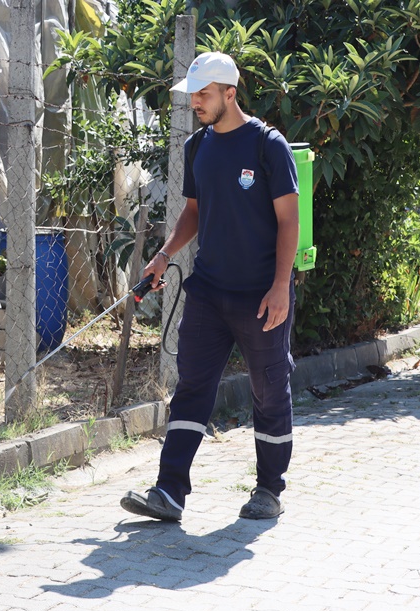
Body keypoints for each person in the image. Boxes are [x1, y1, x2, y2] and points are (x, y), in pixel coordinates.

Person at [121, 51, 300, 522]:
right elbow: (194, 212)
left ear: (230, 93)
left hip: (261, 295)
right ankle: (169, 492)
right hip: (208, 291)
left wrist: (281, 286)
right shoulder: (197, 146)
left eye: (203, 94)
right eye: (192, 95)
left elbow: (289, 220)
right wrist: (163, 256)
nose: (195, 102)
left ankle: (269, 489)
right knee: (192, 387)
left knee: (268, 390)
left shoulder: (268, 146)